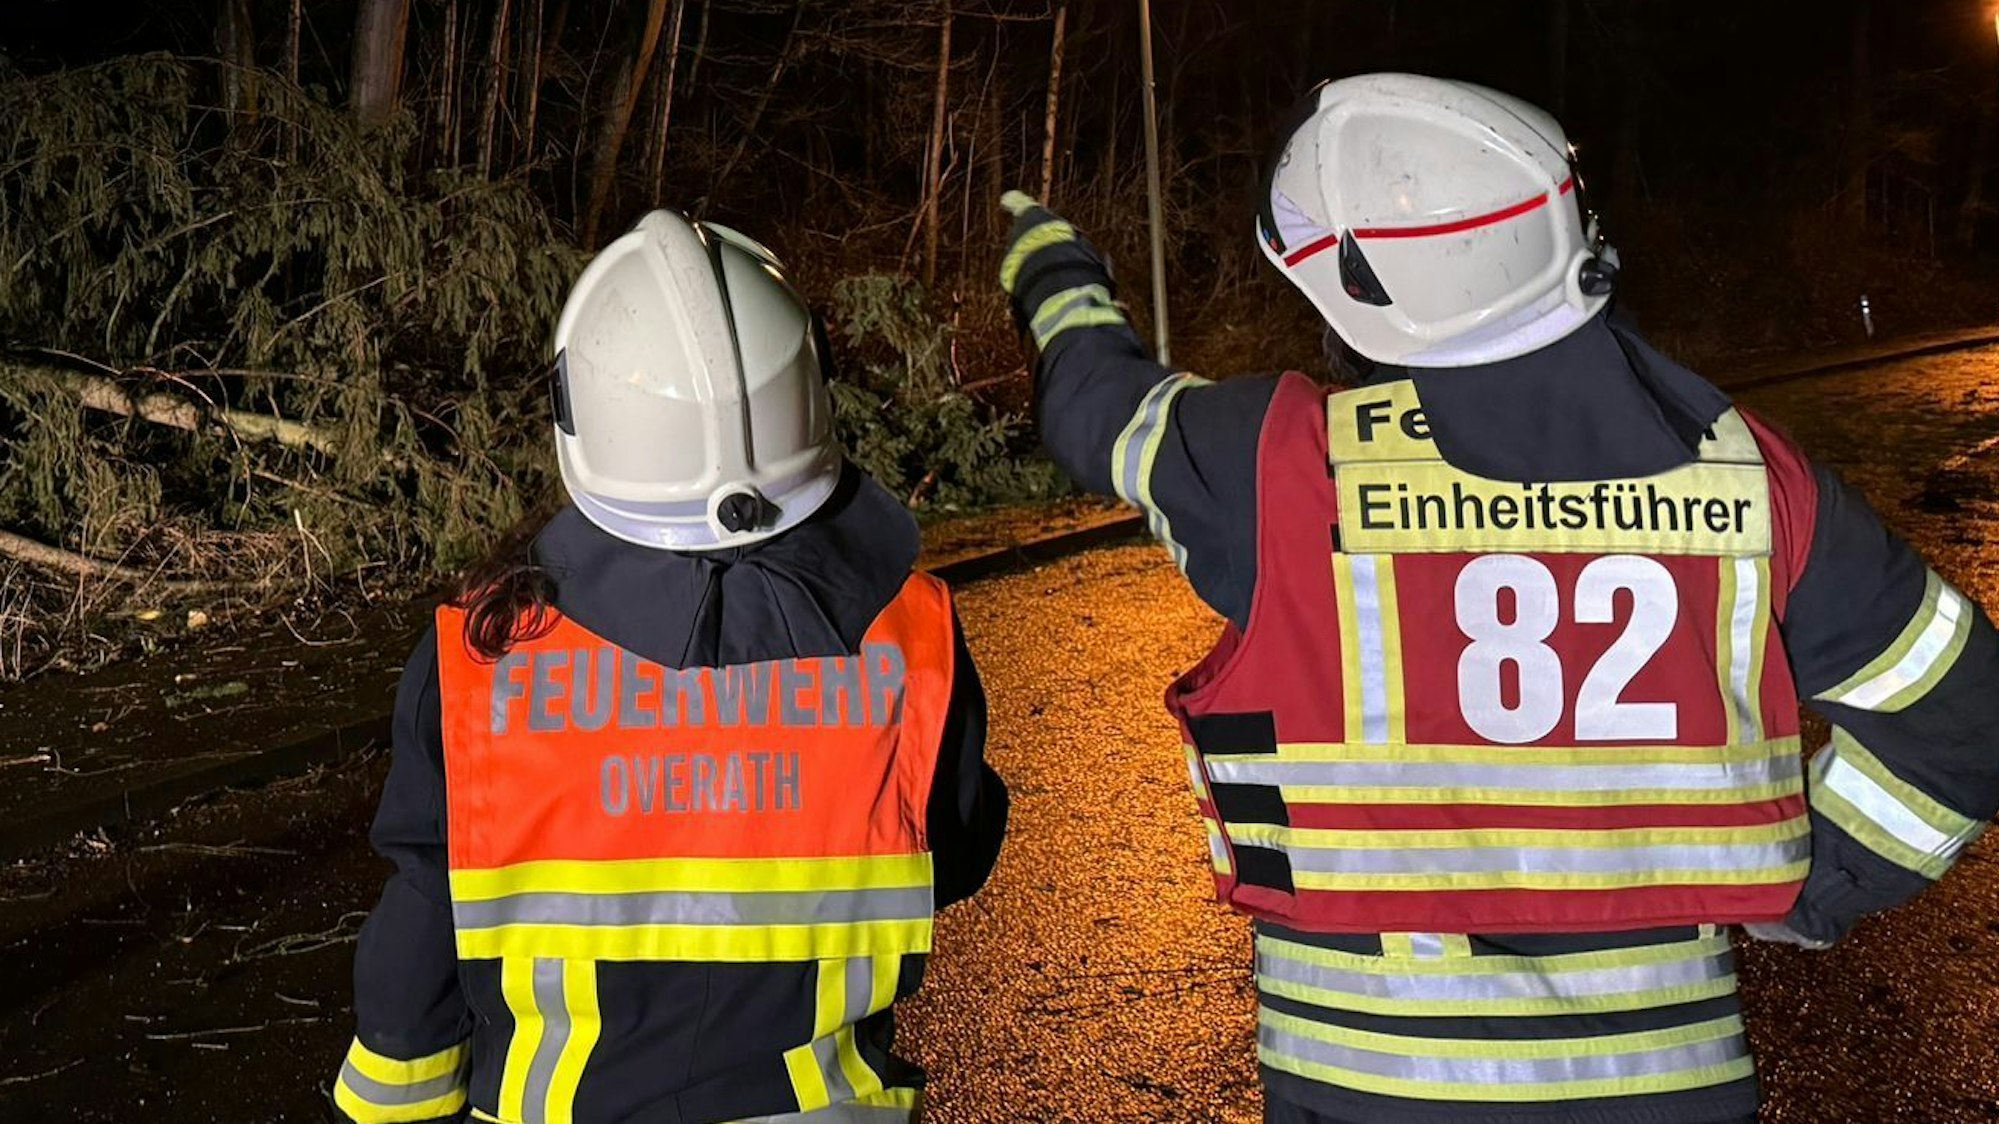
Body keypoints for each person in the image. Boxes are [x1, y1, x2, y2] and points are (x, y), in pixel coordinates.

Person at [998, 73, 1999, 1124]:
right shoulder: (1752, 478)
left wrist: (1057, 268)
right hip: (1669, 1088)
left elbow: (1091, 404)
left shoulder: (1276, 465)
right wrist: (1816, 888)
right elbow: (1966, 719)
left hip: (1366, 1090)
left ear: (1358, 288)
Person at [332, 210, 1007, 1124]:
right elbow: (953, 855)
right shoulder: (911, 636)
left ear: (583, 413)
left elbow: (419, 947)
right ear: (809, 393)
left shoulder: (483, 656)